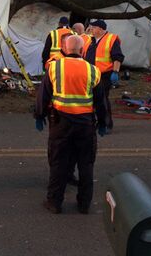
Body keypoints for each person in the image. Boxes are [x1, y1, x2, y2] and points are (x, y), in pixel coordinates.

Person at [35, 34, 105, 214]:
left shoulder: (53, 68)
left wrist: (39, 115)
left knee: (59, 163)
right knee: (86, 164)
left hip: (61, 122)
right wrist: (104, 122)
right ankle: (84, 204)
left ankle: (54, 203)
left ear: (64, 50)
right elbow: (101, 101)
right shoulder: (93, 70)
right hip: (85, 124)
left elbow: (43, 95)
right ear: (82, 51)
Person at [84, 19, 124, 134]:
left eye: (94, 27)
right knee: (91, 100)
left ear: (101, 29)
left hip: (104, 75)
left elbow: (117, 57)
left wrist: (115, 72)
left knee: (102, 99)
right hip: (90, 75)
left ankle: (106, 124)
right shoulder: (90, 40)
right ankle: (94, 123)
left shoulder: (111, 39)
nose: (91, 29)